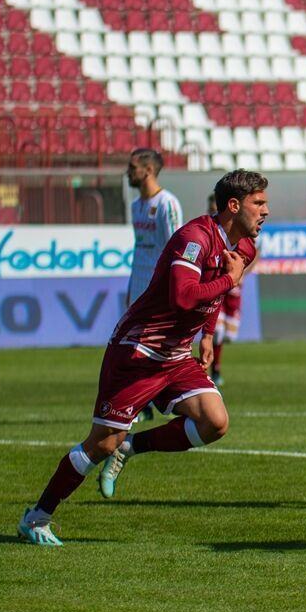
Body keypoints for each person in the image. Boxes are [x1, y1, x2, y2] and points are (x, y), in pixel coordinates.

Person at [17, 170, 268, 546]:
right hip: (139, 350)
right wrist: (229, 282)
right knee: (102, 442)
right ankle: (37, 516)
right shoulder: (194, 238)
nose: (266, 211)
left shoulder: (244, 246)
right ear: (234, 205)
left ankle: (131, 448)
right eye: (259, 203)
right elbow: (184, 296)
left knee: (215, 422)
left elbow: (210, 299)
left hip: (176, 355)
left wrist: (207, 335)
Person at [126, 148, 182, 422]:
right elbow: (140, 250)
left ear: (148, 170)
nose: (128, 172)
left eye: (132, 167)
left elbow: (176, 249)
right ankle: (141, 404)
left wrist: (173, 288)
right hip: (138, 288)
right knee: (133, 347)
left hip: (159, 290)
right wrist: (131, 287)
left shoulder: (166, 204)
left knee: (155, 348)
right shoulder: (136, 206)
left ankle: (170, 396)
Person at [206, 193, 251, 388]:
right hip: (216, 286)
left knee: (228, 335)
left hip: (233, 287)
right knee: (217, 330)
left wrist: (240, 272)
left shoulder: (238, 230)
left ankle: (215, 367)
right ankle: (213, 371)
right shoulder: (207, 230)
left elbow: (252, 254)